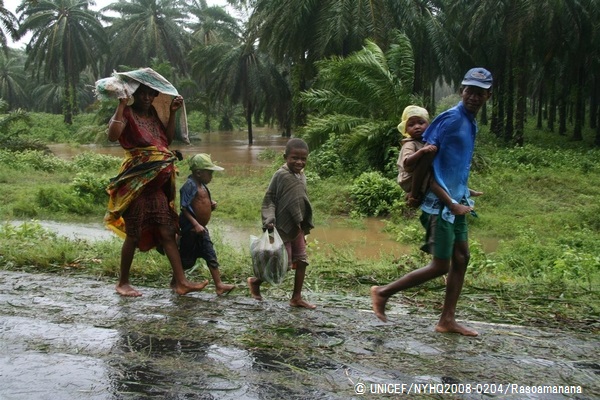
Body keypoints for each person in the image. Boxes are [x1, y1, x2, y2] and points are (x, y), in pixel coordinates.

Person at [371, 67, 493, 336]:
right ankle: (383, 292)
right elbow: (425, 161)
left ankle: (446, 320)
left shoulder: (471, 122)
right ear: (462, 91)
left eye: (480, 93)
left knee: (462, 258)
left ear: (487, 96)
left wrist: (463, 190)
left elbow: (452, 163)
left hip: (456, 200)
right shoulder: (448, 119)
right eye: (469, 91)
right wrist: (418, 196)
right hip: (441, 205)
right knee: (441, 265)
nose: (473, 97)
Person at [106, 84, 209, 297]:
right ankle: (122, 283)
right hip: (137, 185)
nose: (146, 97)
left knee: (167, 232)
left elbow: (165, 140)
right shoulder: (127, 112)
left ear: (155, 96)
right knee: (133, 235)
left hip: (157, 188)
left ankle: (180, 282)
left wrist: (172, 113)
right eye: (141, 93)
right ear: (134, 94)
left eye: (150, 93)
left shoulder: (153, 113)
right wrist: (121, 104)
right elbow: (112, 136)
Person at [247, 138, 316, 309]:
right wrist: (269, 220)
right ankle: (255, 282)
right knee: (283, 265)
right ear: (285, 157)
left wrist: (304, 225)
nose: (299, 162)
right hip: (281, 228)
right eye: (294, 158)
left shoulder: (302, 175)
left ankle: (296, 297)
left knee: (302, 261)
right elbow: (270, 198)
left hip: (297, 227)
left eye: (303, 159)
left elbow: (301, 200)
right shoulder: (280, 175)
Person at [178, 153, 236, 295]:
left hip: (202, 230)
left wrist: (210, 204)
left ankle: (219, 285)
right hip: (191, 230)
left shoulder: (202, 185)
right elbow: (184, 207)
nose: (211, 176)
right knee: (186, 260)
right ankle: (177, 282)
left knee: (210, 254)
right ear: (198, 173)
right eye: (209, 173)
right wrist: (195, 224)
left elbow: (200, 202)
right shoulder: (189, 186)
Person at [396, 105, 437, 207]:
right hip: (408, 178)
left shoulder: (427, 141)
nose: (417, 127)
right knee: (434, 182)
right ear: (406, 130)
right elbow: (407, 162)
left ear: (428, 125)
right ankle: (414, 195)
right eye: (411, 125)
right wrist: (421, 151)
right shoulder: (410, 144)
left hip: (420, 174)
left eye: (421, 123)